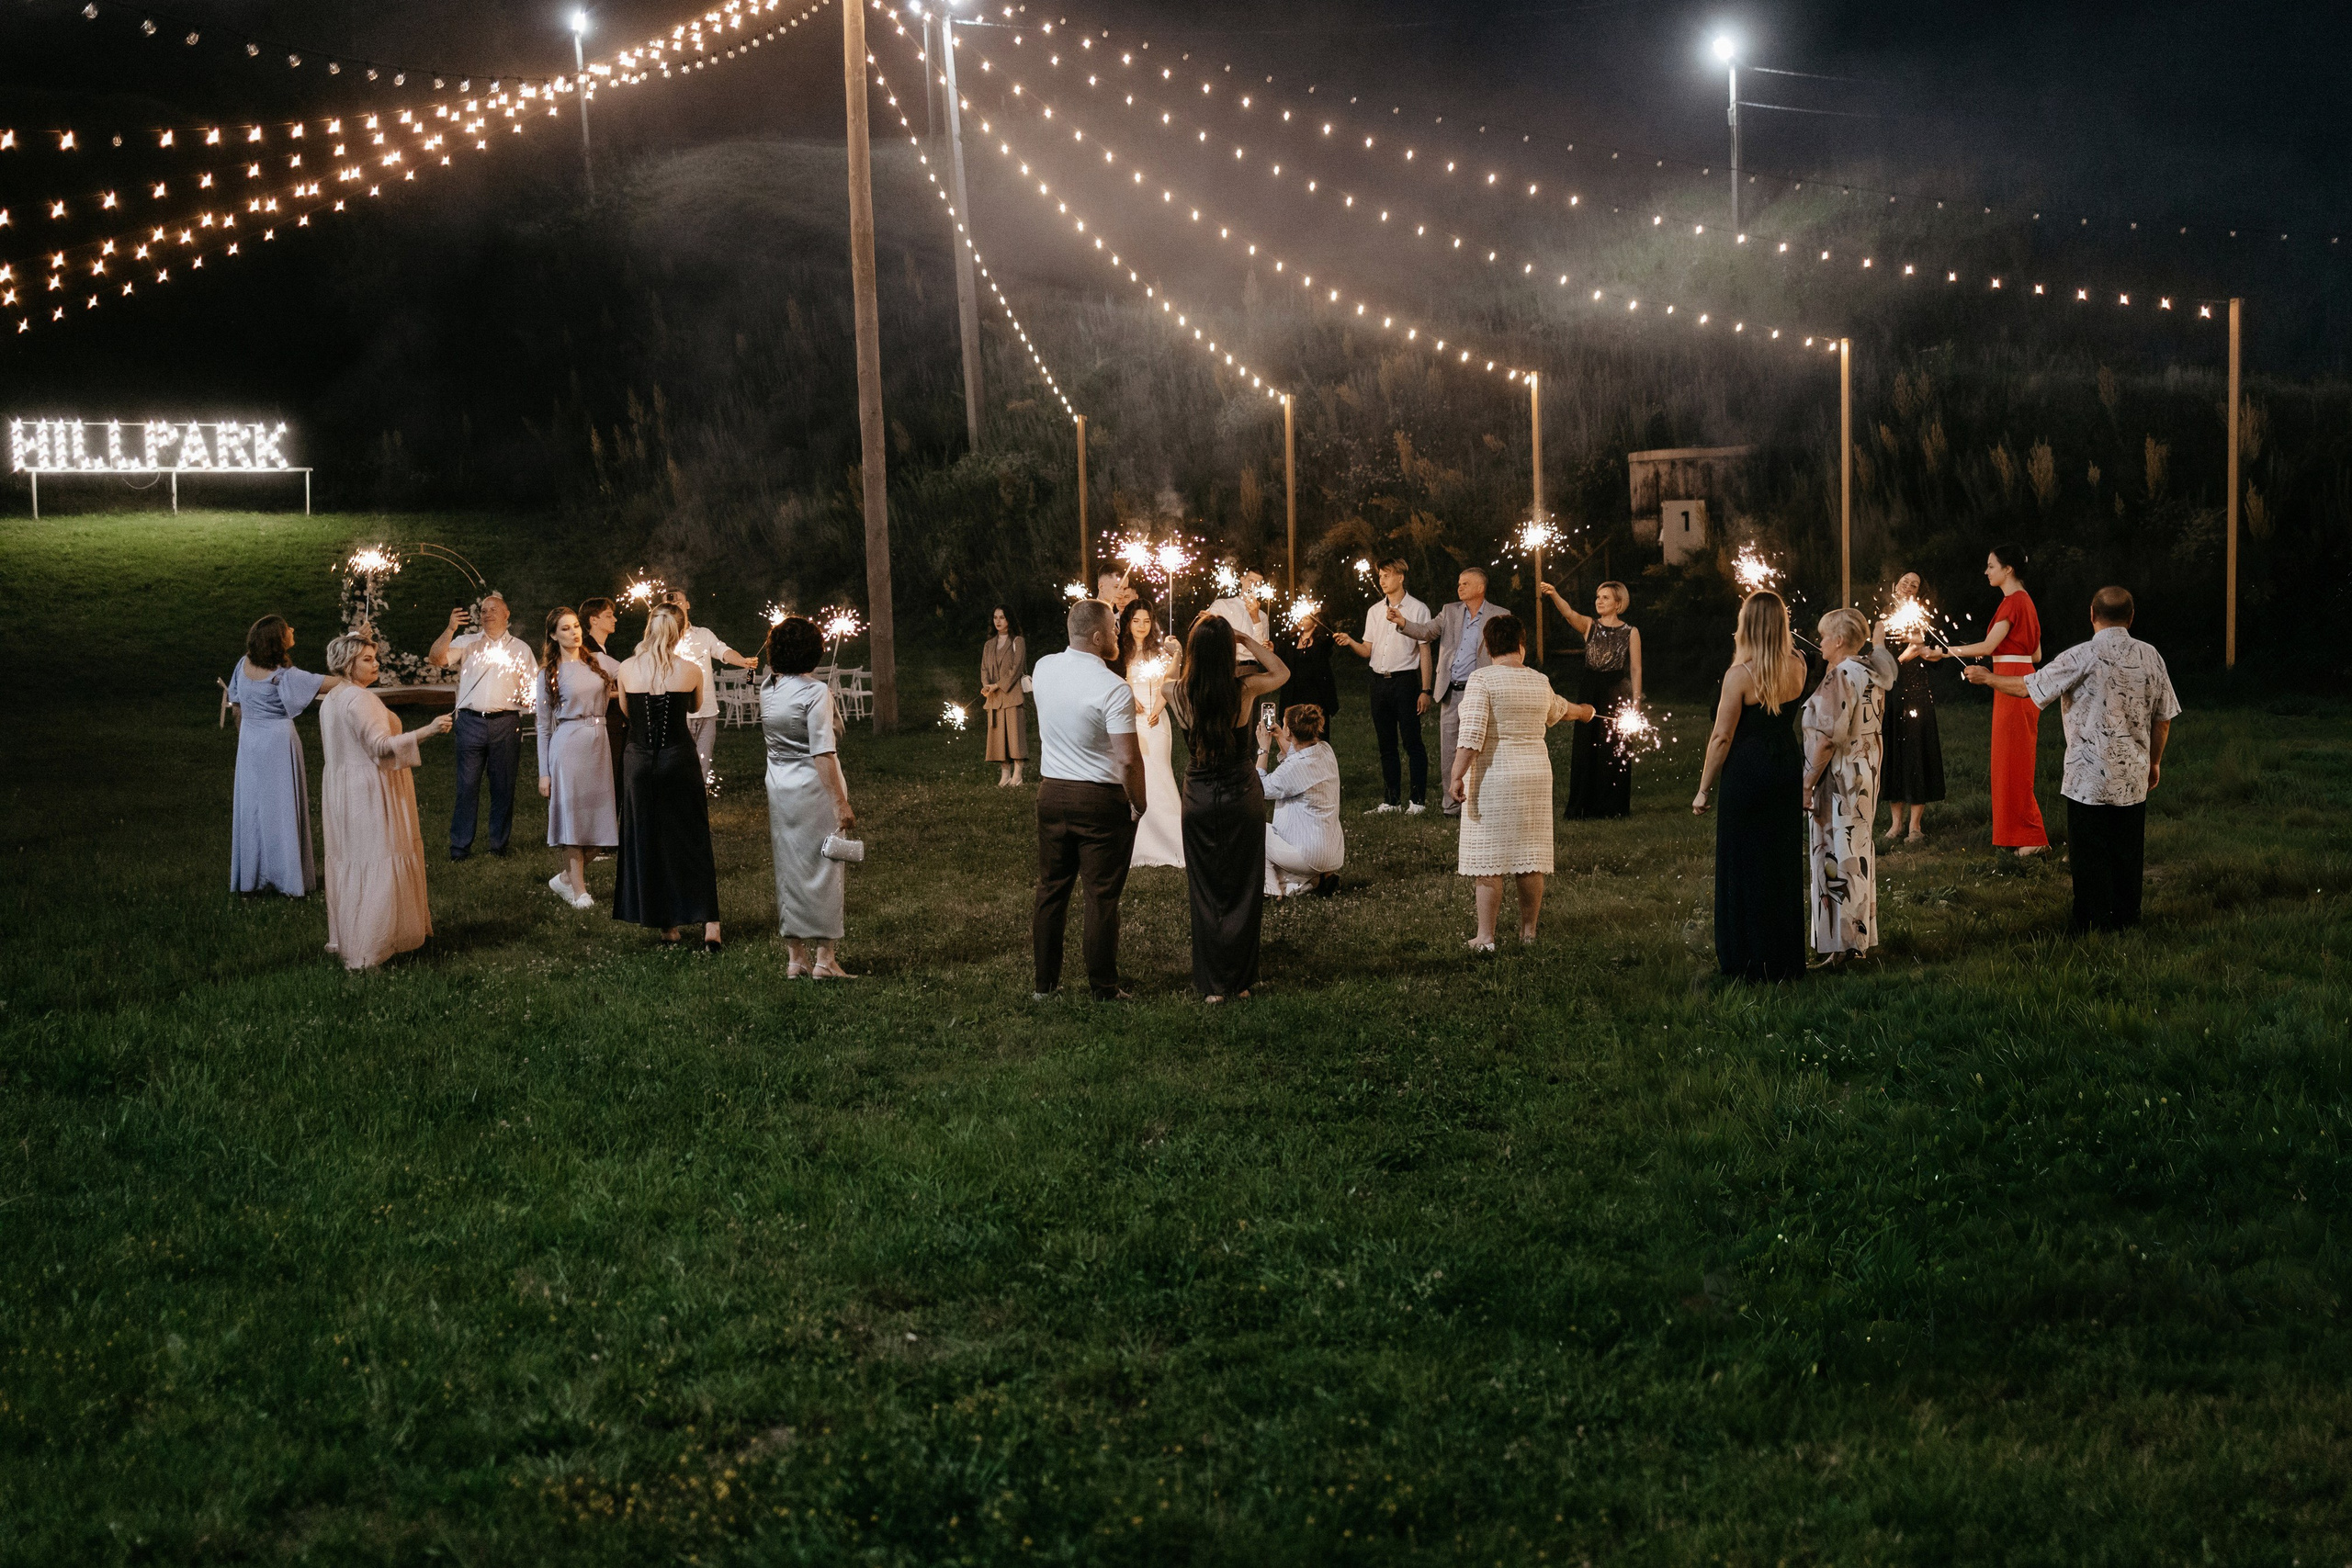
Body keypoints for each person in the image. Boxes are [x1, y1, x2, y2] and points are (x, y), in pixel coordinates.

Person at [1965, 587, 2178, 933]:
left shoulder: (2081, 655)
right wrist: (2154, 763)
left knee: (2089, 852)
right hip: (2132, 774)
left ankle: (2091, 923)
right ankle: (2126, 919)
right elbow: (2164, 717)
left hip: (2087, 777)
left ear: (2092, 614)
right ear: (2131, 617)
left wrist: (1986, 677)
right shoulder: (2151, 656)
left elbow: (2028, 689)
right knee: (2127, 850)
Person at [1445, 615, 1593, 950]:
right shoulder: (1539, 681)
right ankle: (1529, 933)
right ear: (1522, 647)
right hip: (1535, 775)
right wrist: (1585, 710)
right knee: (1530, 856)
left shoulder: (1482, 679)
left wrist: (1456, 775)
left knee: (1490, 861)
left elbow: (1471, 735)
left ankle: (1486, 938)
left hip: (1495, 776)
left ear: (1488, 646)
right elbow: (1560, 710)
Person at [1030, 598, 1149, 1000]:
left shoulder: (1044, 668)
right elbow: (1129, 759)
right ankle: (1103, 987)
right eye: (1114, 629)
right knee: (1100, 895)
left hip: (1051, 792)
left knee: (1051, 889)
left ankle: (1044, 985)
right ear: (1098, 638)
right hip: (1098, 798)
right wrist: (1139, 804)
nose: (1119, 634)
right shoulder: (1113, 688)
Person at [1170, 613, 1290, 1000]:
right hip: (1240, 793)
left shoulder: (1174, 692)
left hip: (1200, 796)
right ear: (1227, 652)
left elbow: (1172, 679)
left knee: (1205, 888)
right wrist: (1247, 640)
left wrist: (1180, 655)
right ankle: (1239, 982)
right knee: (1244, 885)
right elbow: (1282, 672)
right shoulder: (1245, 688)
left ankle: (1212, 985)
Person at [1692, 591, 1809, 982]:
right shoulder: (1799, 665)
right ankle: (1783, 958)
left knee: (1744, 861)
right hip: (1785, 764)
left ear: (1747, 625)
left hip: (1748, 768)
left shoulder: (1740, 675)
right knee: (1780, 860)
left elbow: (1721, 738)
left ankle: (1746, 958)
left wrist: (1703, 789)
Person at [319, 631, 452, 968]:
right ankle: (371, 946)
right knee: (378, 857)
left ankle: (356, 937)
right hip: (369, 790)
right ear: (348, 664)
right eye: (367, 659)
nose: (375, 664)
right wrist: (429, 730)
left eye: (374, 657)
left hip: (342, 790)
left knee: (354, 859)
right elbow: (380, 746)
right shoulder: (360, 699)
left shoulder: (333, 698)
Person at [613, 602, 723, 950]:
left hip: (640, 762)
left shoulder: (628, 669)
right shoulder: (691, 670)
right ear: (677, 634)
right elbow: (693, 707)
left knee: (648, 838)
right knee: (692, 836)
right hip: (679, 758)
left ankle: (666, 926)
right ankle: (711, 925)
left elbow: (628, 713)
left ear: (648, 630)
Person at [1928, 544, 2048, 855]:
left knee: (2012, 764)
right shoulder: (2026, 602)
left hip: (2012, 688)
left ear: (2008, 569)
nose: (1986, 571)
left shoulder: (2012, 603)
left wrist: (1944, 652)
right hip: (2021, 684)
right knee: (2012, 763)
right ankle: (2018, 836)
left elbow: (1990, 645)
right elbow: (2035, 654)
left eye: (1991, 566)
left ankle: (2031, 838)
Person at [759, 615, 859, 977]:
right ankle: (825, 959)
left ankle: (795, 957)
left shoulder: (767, 689)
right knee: (825, 868)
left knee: (789, 869)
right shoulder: (815, 692)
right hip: (814, 788)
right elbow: (822, 752)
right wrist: (839, 802)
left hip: (779, 786)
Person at [1802, 608, 1896, 964]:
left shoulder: (1840, 675)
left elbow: (1827, 737)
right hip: (1866, 772)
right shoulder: (1871, 672)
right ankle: (1857, 940)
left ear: (1839, 641)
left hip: (1839, 780)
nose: (1820, 642)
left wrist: (1808, 784)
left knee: (1836, 856)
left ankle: (1839, 947)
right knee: (1856, 852)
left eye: (1824, 636)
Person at [227, 614, 343, 896]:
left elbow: (237, 705)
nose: (292, 629)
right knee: (281, 806)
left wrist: (245, 737)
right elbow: (334, 683)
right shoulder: (284, 676)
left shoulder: (243, 665)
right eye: (286, 628)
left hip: (250, 742)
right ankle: (286, 878)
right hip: (278, 743)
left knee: (253, 808)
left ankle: (253, 878)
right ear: (277, 641)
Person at [1390, 567, 1513, 817]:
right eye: (1459, 583)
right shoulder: (1449, 612)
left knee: (1482, 747)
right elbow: (1426, 632)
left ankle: (1481, 802)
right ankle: (1451, 807)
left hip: (1481, 692)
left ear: (1480, 588)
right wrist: (1402, 622)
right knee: (1449, 751)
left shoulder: (1500, 615)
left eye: (1466, 583)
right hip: (1451, 691)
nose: (1460, 587)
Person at [427, 590, 534, 862]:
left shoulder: (520, 649)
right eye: (483, 610)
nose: (487, 614)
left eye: (493, 609)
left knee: (503, 786)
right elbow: (436, 659)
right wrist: (451, 628)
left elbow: (533, 689)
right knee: (467, 786)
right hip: (471, 722)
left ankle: (498, 845)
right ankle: (460, 847)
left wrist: (527, 698)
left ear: (507, 614)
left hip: (506, 723)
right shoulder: (467, 642)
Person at [1330, 558, 1431, 814]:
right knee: (1386, 743)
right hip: (1378, 682)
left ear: (1401, 577)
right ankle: (1391, 800)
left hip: (1405, 681)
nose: (1382, 580)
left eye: (1387, 575)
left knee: (1411, 741)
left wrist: (1425, 690)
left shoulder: (1418, 609)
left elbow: (1425, 651)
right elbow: (1368, 650)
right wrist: (1350, 641)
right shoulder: (1374, 611)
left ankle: (1418, 800)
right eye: (1380, 576)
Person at [535, 607, 620, 910]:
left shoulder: (598, 662)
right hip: (568, 745)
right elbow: (543, 726)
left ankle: (565, 878)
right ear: (554, 635)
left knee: (601, 822)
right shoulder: (548, 673)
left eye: (576, 626)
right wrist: (544, 772)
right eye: (566, 628)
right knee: (573, 819)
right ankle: (580, 892)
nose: (574, 632)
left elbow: (631, 673)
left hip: (599, 744)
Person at [1537, 578, 1643, 819]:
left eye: (1605, 597)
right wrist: (1554, 593)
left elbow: (1635, 669)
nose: (1599, 601)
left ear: (1618, 603)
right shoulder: (1589, 625)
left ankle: (1611, 807)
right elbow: (1568, 613)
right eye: (1598, 597)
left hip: (1616, 690)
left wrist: (1635, 703)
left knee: (1614, 747)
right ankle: (1582, 806)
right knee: (1586, 746)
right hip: (1590, 689)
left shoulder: (1630, 632)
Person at [665, 589, 756, 789]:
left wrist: (742, 661)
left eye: (679, 601)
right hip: (677, 714)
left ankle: (699, 805)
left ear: (688, 604)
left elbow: (723, 651)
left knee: (702, 765)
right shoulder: (662, 639)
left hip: (706, 711)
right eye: (669, 603)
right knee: (678, 765)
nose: (676, 605)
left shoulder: (703, 635)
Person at [1881, 572, 1946, 843]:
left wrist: (1927, 650)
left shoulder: (1923, 617)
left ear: (1918, 592)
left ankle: (1915, 827)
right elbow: (1881, 658)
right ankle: (1895, 825)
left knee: (1917, 753)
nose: (1908, 586)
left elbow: (1938, 655)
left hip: (1918, 693)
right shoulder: (1883, 619)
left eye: (1915, 584)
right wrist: (1910, 651)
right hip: (1893, 693)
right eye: (1905, 581)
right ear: (1896, 585)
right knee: (1894, 754)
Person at [1120, 600, 1185, 869]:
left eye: (1146, 621)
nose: (1142, 626)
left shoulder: (1160, 652)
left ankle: (1174, 842)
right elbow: (1116, 679)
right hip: (1130, 719)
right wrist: (1127, 695)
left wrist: (1158, 708)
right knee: (1136, 776)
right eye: (1136, 621)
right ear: (1128, 622)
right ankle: (1139, 844)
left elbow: (1169, 682)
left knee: (1159, 773)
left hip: (1156, 718)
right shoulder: (1119, 652)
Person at [1258, 703, 1344, 898]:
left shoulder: (1295, 768)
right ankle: (1311, 882)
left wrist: (1263, 749)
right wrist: (1281, 737)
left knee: (1254, 829)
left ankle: (1269, 890)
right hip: (1332, 852)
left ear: (1290, 730)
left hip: (1309, 855)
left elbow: (1258, 788)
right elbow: (1299, 754)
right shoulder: (1325, 751)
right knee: (1277, 857)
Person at [580, 594, 629, 818]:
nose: (615, 620)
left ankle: (611, 829)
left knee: (617, 776)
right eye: (609, 616)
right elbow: (591, 690)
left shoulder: (609, 651)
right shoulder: (585, 650)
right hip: (602, 723)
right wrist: (624, 694)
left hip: (616, 723)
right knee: (605, 777)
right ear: (593, 620)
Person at [980, 606, 1030, 787]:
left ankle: (1018, 774)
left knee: (1015, 736)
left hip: (1012, 695)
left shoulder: (1018, 641)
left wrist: (997, 685)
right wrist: (987, 686)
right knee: (998, 738)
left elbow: (1016, 669)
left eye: (1002, 617)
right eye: (995, 617)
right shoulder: (989, 645)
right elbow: (984, 668)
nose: (998, 621)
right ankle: (1005, 774)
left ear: (1009, 619)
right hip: (994, 698)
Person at [1276, 605, 1340, 726]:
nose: (1301, 619)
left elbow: (1328, 637)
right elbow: (1280, 659)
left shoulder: (1321, 641)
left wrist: (1318, 614)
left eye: (1306, 617)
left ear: (1315, 623)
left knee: (1315, 732)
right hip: (1293, 695)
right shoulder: (1290, 640)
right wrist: (1271, 649)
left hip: (1316, 696)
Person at [1205, 566, 1274, 670]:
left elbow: (1262, 651)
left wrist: (1255, 618)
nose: (1253, 586)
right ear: (1242, 580)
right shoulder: (1222, 605)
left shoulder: (1262, 616)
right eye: (1250, 581)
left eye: (1257, 584)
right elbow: (1207, 634)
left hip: (1250, 668)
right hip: (1224, 666)